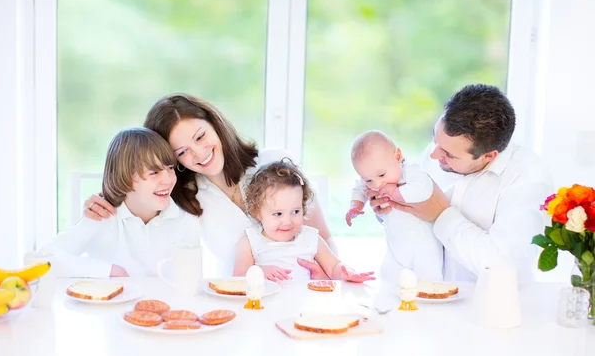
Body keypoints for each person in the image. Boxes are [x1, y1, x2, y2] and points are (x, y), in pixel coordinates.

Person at [82, 94, 335, 277]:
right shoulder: (187, 199)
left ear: (215, 124)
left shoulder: (275, 163)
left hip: (306, 288)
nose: (200, 153)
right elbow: (139, 196)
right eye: (182, 152)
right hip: (241, 300)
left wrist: (329, 284)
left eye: (201, 136)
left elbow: (323, 238)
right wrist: (108, 198)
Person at [368, 84, 553, 284]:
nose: (434, 154)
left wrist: (441, 214)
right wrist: (389, 209)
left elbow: (504, 267)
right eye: (435, 139)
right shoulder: (440, 151)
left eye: (448, 154)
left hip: (481, 307)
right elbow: (416, 224)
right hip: (418, 295)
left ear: (488, 156)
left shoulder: (528, 179)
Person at [44, 128, 200, 277]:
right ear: (123, 178)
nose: (167, 180)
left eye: (170, 168)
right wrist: (107, 271)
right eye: (154, 172)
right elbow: (45, 258)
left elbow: (191, 279)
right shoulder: (103, 215)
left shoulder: (184, 217)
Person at [233, 159, 375, 283]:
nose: (288, 221)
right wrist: (259, 272)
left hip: (305, 309)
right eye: (278, 214)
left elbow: (334, 267)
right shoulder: (250, 242)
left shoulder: (311, 238)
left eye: (295, 212)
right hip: (265, 308)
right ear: (257, 211)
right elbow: (237, 278)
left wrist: (348, 273)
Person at [345, 131, 443, 282]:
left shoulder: (410, 171)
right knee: (389, 278)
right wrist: (355, 206)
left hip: (423, 245)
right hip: (395, 245)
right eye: (369, 180)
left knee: (428, 280)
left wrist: (396, 192)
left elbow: (424, 188)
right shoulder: (372, 175)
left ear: (397, 157)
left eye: (382, 175)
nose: (377, 184)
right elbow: (359, 188)